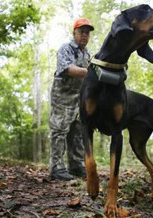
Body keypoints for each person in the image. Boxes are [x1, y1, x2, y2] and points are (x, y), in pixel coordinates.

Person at [49, 18, 94, 180]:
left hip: (79, 97)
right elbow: (68, 69)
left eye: (87, 33)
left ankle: (76, 165)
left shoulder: (87, 53)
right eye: (81, 32)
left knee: (77, 132)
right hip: (63, 96)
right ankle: (56, 167)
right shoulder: (66, 49)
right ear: (74, 33)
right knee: (59, 130)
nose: (84, 35)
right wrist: (92, 72)